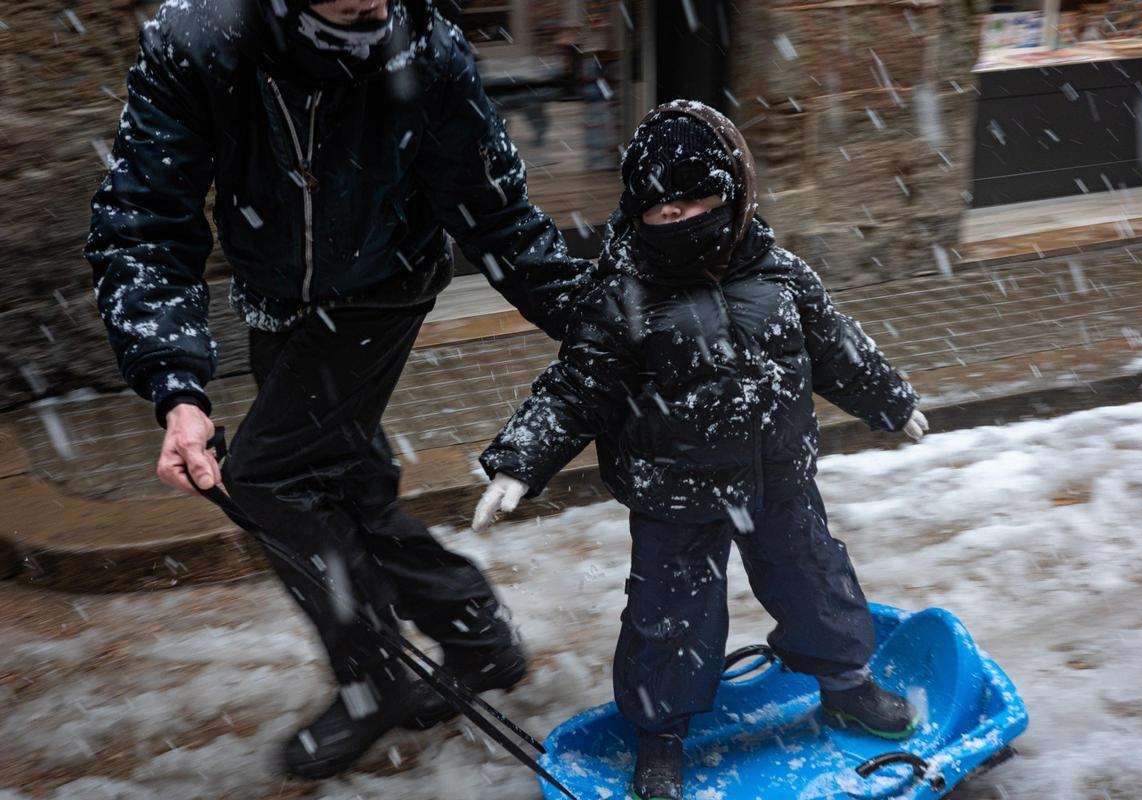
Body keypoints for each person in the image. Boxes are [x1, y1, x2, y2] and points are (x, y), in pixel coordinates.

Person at [84, 0, 589, 781]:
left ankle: (374, 673)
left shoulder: (427, 47)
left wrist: (602, 331)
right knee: (344, 477)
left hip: (382, 285)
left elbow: (497, 215)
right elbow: (146, 220)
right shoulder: (201, 44)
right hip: (276, 294)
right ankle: (474, 634)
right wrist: (177, 388)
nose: (369, 6)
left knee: (267, 479)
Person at [472, 100, 930, 800]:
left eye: (698, 200)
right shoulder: (620, 295)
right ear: (637, 211)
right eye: (663, 210)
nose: (681, 218)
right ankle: (660, 738)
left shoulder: (782, 276)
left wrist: (891, 401)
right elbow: (576, 386)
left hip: (778, 481)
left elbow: (838, 348)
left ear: (733, 194)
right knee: (668, 621)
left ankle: (846, 685)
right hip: (673, 496)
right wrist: (518, 461)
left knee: (816, 581)